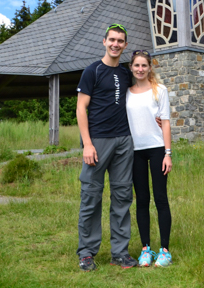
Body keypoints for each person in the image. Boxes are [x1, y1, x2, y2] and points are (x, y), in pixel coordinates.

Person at [76, 24, 138, 271]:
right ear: (104, 41)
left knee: (122, 196)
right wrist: (87, 144)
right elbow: (81, 108)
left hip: (124, 141)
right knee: (91, 196)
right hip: (98, 141)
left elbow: (139, 99)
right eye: (112, 39)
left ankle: (120, 253)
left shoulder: (126, 73)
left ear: (124, 45)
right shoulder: (92, 71)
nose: (116, 44)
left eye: (120, 41)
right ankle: (87, 252)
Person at [126, 50, 173, 267]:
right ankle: (146, 249)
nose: (140, 69)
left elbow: (165, 122)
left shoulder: (159, 91)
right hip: (135, 152)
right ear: (131, 67)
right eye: (137, 65)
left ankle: (164, 250)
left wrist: (167, 153)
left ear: (150, 67)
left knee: (160, 198)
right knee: (142, 200)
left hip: (156, 150)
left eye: (144, 65)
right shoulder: (127, 92)